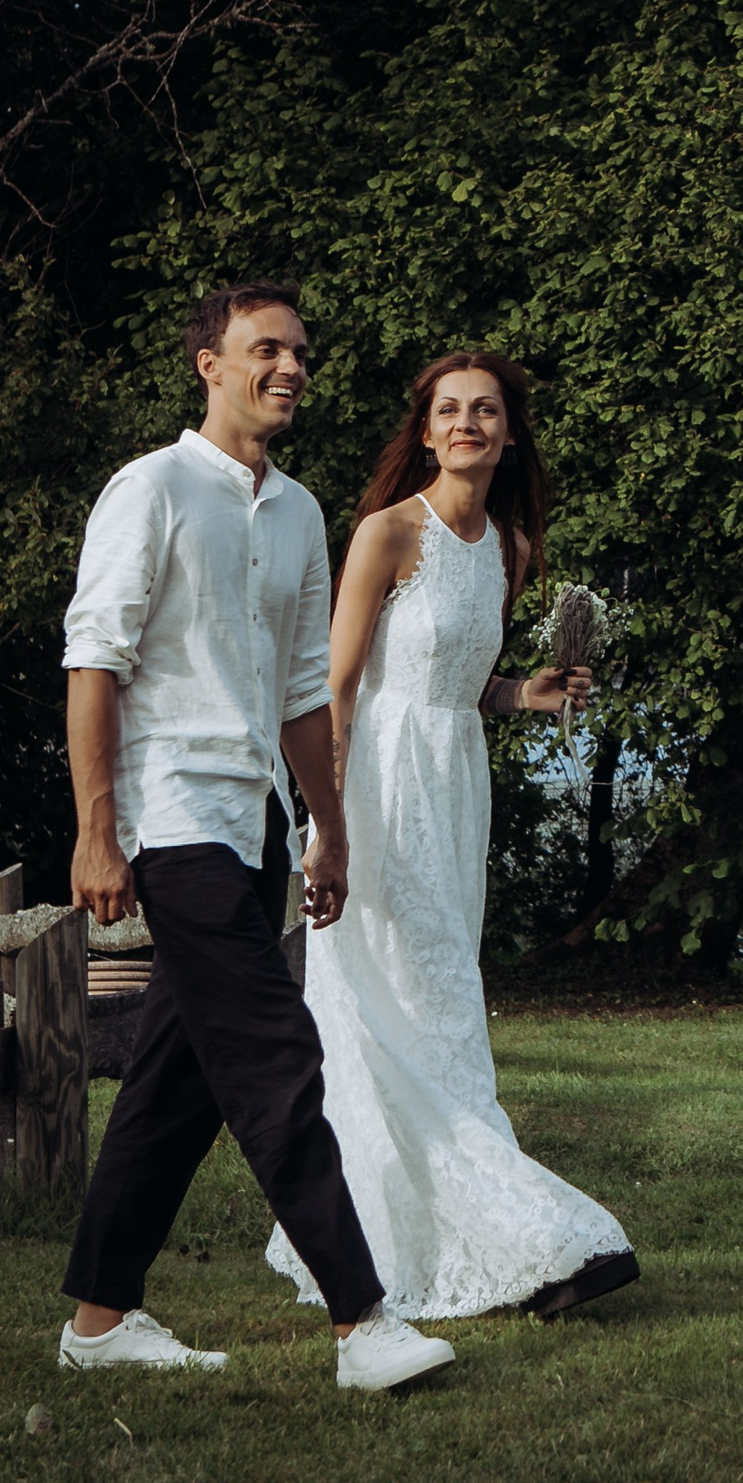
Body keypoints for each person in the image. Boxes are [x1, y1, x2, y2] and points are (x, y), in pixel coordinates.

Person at [56, 281, 454, 1390]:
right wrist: (99, 832)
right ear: (210, 365)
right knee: (279, 1054)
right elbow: (95, 664)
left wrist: (327, 827)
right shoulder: (150, 489)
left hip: (258, 826)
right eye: (264, 350)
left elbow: (298, 690)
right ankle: (361, 1323)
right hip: (172, 816)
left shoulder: (301, 513)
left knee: (178, 1081)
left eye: (299, 354)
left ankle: (98, 1322)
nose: (289, 368)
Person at [264, 352, 638, 1320]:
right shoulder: (388, 534)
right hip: (378, 787)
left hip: (453, 787)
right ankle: (516, 1235)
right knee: (391, 1005)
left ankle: (464, 1227)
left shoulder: (509, 551)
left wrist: (530, 692)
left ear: (509, 433)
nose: (468, 423)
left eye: (487, 411)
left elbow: (462, 681)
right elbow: (335, 689)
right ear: (425, 432)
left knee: (441, 1001)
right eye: (450, 411)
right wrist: (328, 825)